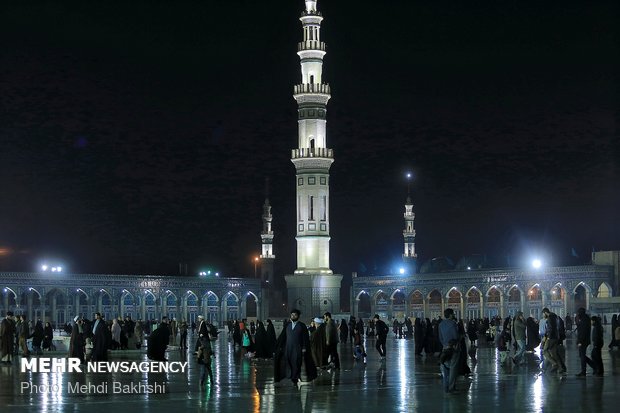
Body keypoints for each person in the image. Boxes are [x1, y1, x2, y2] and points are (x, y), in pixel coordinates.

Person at [274, 309, 317, 387]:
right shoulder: (287, 325)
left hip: (297, 348)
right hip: (288, 348)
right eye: (292, 315)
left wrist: (304, 347)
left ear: (298, 316)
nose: (293, 316)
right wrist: (280, 346)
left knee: (296, 363)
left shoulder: (302, 326)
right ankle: (291, 376)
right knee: (289, 362)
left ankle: (295, 378)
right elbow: (283, 337)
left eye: (295, 315)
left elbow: (305, 338)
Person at [438, 308, 460, 393]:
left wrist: (445, 344)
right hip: (454, 348)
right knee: (453, 368)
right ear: (450, 315)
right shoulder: (453, 323)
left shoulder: (441, 324)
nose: (454, 315)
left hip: (445, 348)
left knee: (445, 367)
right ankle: (451, 387)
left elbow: (440, 337)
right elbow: (455, 336)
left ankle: (445, 386)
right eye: (453, 314)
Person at [541, 308, 565, 374]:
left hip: (551, 338)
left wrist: (548, 337)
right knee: (554, 353)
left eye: (543, 314)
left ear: (545, 312)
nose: (543, 315)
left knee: (545, 351)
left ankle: (554, 363)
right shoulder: (555, 317)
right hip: (556, 337)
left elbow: (550, 328)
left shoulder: (550, 318)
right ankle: (560, 368)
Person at [575, 308, 591, 377]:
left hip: (583, 341)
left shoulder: (583, 319)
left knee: (582, 356)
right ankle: (594, 366)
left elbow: (582, 332)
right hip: (585, 340)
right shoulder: (585, 318)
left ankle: (583, 371)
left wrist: (580, 341)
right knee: (582, 356)